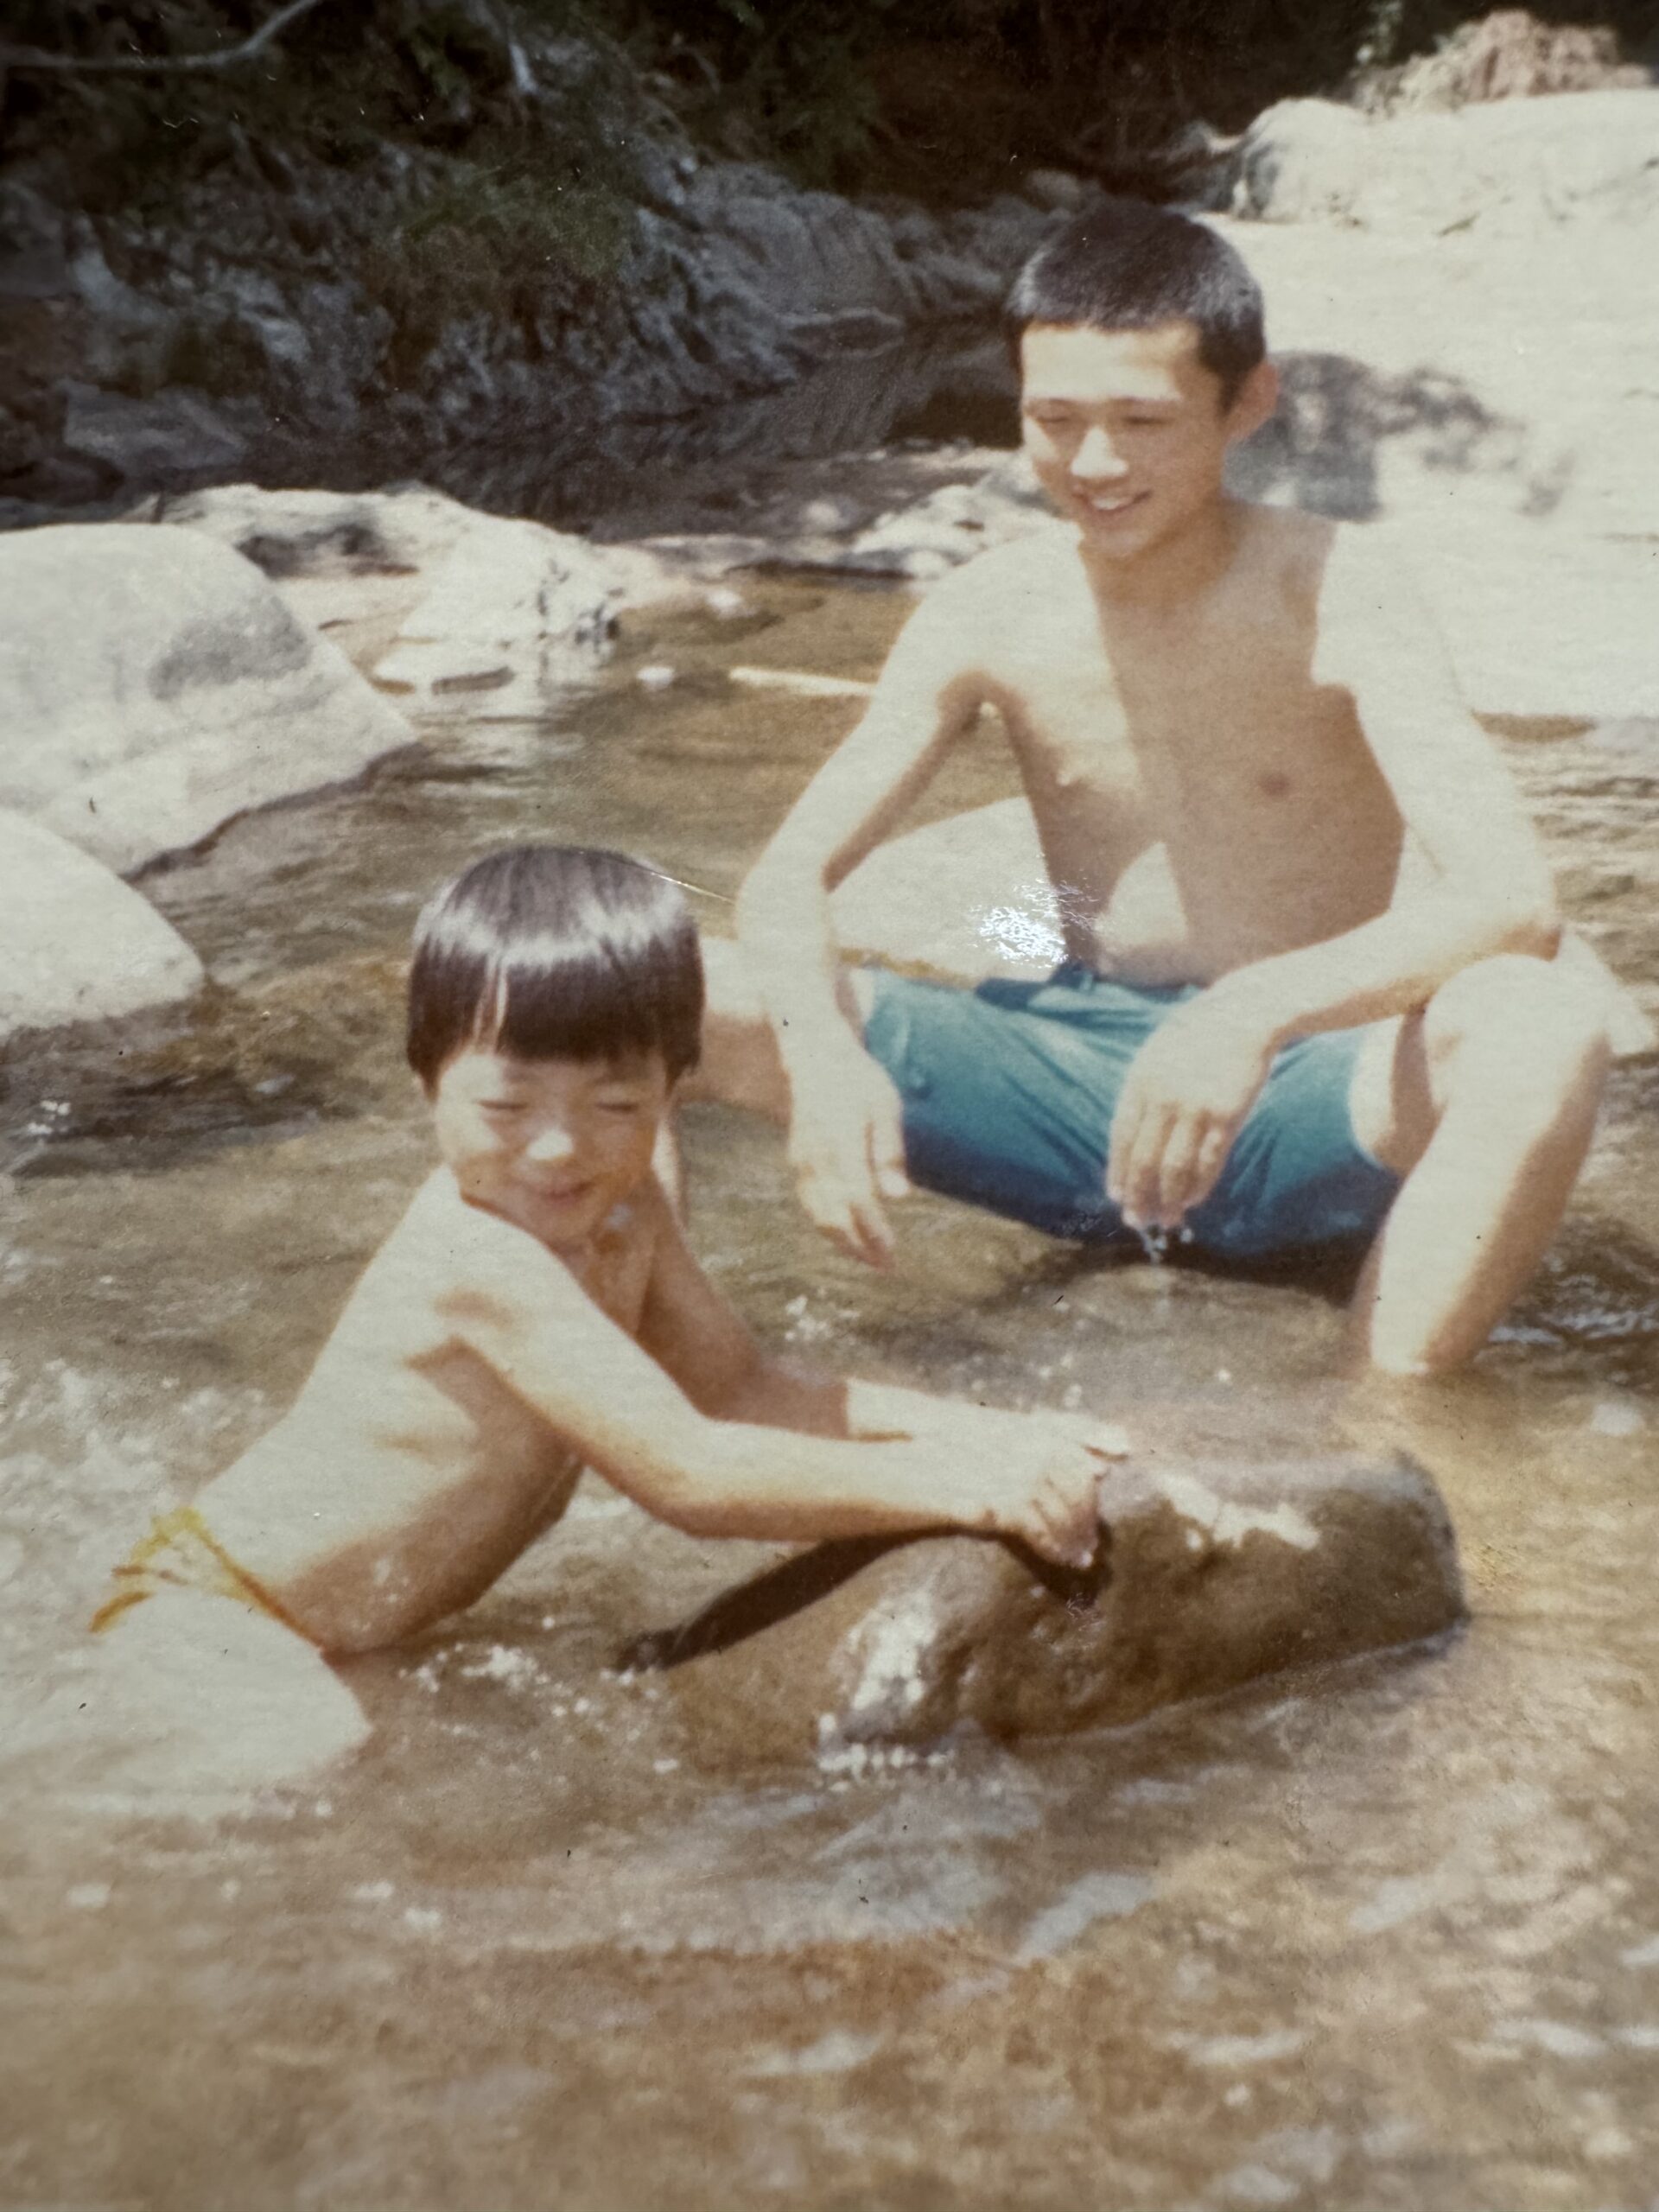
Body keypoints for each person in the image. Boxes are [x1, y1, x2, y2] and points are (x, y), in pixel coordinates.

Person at [694, 197, 1611, 1376]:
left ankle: (1386, 1426)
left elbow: (1511, 901)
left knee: (1541, 1024)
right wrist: (820, 1062)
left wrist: (1249, 1011)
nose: (1096, 464)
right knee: (643, 994)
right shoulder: (989, 608)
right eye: (1056, 420)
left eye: (1143, 421)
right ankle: (673, 1398)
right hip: (1075, 1085)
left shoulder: (1342, 590)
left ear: (1249, 402)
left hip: (1311, 1085)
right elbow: (786, 881)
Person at [83, 846, 1122, 1787]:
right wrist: (966, 1486)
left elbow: (741, 1389)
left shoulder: (629, 1207)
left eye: (616, 1105)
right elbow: (687, 1475)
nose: (559, 1149)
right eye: (505, 1107)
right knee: (325, 1764)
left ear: (673, 1087)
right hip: (215, 1607)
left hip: (355, 1628)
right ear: (425, 1083)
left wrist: (991, 1434)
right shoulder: (475, 1256)